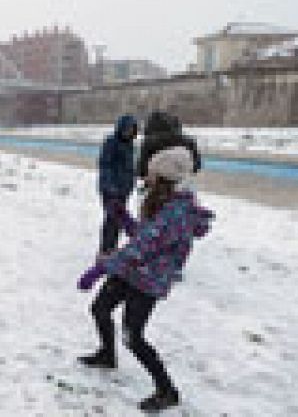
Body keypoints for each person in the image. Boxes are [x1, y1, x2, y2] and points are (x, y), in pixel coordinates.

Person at [77, 147, 215, 412]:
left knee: (133, 336)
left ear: (164, 176)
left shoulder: (175, 213)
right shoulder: (161, 199)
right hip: (133, 271)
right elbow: (145, 236)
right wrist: (124, 218)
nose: (146, 176)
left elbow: (140, 248)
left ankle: (167, 391)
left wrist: (100, 268)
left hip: (149, 279)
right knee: (100, 308)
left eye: (151, 172)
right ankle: (107, 355)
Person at [98, 115, 138, 255]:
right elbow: (105, 165)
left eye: (132, 129)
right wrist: (109, 186)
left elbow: (129, 167)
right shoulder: (111, 142)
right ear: (120, 128)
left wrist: (132, 181)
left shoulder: (129, 145)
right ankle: (105, 250)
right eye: (127, 129)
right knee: (111, 220)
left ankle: (112, 248)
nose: (129, 132)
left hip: (123, 190)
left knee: (118, 221)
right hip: (110, 190)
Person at [136, 111, 202, 179]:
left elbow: (141, 170)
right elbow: (196, 166)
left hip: (157, 183)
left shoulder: (149, 143)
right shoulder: (189, 142)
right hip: (182, 180)